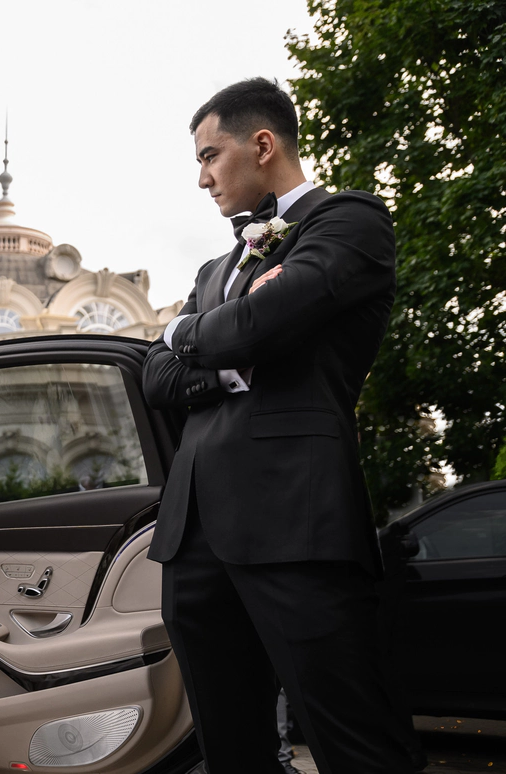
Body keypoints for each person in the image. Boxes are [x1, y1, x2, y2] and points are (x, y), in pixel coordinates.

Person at [142, 78, 413, 774]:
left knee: (354, 739)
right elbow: (156, 378)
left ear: (262, 144)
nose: (202, 178)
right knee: (231, 747)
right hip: (194, 533)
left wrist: (185, 332)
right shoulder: (214, 270)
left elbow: (254, 326)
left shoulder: (349, 221)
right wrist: (227, 355)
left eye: (210, 156)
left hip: (295, 519)